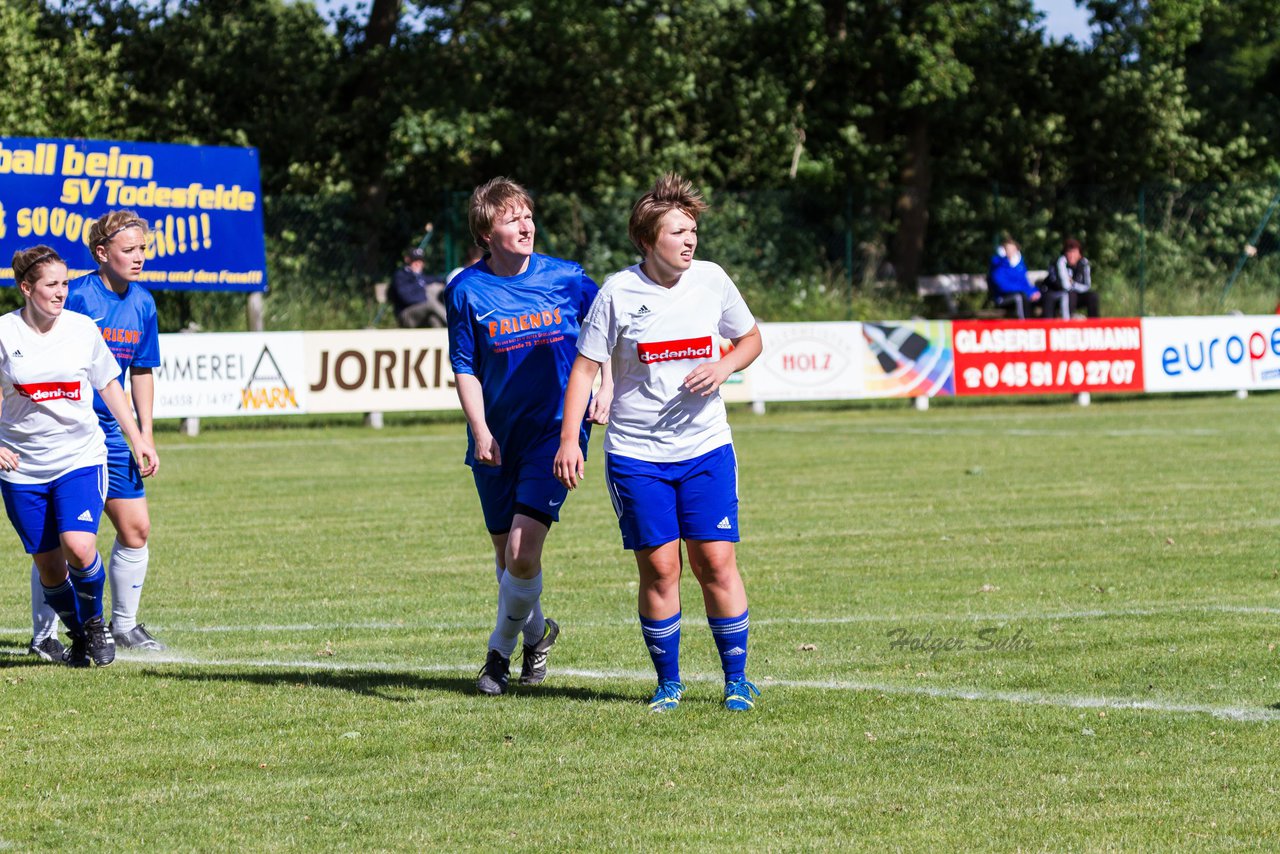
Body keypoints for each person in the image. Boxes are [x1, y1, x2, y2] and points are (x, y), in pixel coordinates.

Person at [553, 174, 764, 713]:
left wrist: (723, 365)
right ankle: (669, 682)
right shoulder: (617, 293)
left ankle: (737, 680)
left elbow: (751, 339)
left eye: (693, 230)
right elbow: (584, 370)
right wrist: (569, 441)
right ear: (649, 240)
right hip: (637, 455)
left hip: (706, 447)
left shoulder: (712, 280)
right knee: (661, 568)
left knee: (715, 561)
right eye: (678, 232)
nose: (690, 241)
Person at [446, 177, 611, 696]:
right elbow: (465, 365)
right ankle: (538, 634)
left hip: (555, 433)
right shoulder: (466, 290)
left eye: (528, 215)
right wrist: (480, 429)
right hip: (498, 437)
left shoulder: (568, 278)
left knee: (520, 551)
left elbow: (610, 329)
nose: (526, 225)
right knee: (508, 561)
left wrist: (604, 384)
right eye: (511, 218)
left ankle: (497, 655)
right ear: (485, 232)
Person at [4, 246, 159, 667]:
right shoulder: (5, 333)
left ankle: (95, 626)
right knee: (51, 569)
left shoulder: (82, 329)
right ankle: (80, 632)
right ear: (26, 288)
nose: (60, 292)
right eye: (51, 285)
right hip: (22, 466)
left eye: (65, 284)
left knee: (78, 545)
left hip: (79, 456)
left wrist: (138, 437)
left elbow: (110, 385)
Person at [1043, 237, 1100, 319]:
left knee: (1093, 296)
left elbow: (1087, 286)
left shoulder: (1084, 264)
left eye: (1074, 252)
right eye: (1069, 252)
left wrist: (1073, 284)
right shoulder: (1059, 263)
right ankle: (1066, 324)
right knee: (1069, 294)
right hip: (1056, 294)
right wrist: (1072, 285)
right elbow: (1065, 286)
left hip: (1074, 294)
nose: (1071, 255)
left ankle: (1094, 325)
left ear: (1079, 254)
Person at [391, 247, 447, 328]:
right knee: (430, 303)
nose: (418, 263)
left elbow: (438, 280)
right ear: (407, 260)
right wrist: (424, 294)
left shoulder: (421, 277)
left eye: (420, 261)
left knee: (433, 319)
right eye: (414, 260)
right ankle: (454, 324)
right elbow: (406, 298)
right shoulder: (401, 276)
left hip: (421, 313)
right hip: (405, 315)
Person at [988, 237, 1041, 319]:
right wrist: (1026, 292)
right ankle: (1024, 325)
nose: (1010, 252)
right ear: (1002, 251)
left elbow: (1024, 283)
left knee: (1041, 295)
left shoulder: (1019, 265)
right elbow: (1003, 286)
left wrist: (1033, 292)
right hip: (1002, 298)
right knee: (1020, 297)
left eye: (1013, 249)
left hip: (1021, 294)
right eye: (1007, 249)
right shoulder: (997, 265)